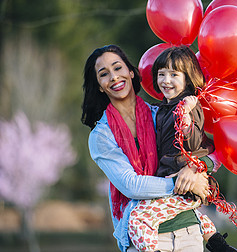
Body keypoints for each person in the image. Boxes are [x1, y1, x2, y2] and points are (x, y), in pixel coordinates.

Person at [82, 45, 210, 252]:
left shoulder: (160, 114)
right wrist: (182, 182)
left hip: (186, 231)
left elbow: (204, 149)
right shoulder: (101, 136)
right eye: (104, 74)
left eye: (118, 68)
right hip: (142, 237)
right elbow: (131, 185)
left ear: (131, 72)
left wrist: (196, 168)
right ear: (99, 85)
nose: (114, 77)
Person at [127, 46, 237, 252]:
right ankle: (219, 245)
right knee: (193, 213)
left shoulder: (187, 105)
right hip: (174, 179)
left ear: (187, 78)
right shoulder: (163, 109)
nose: (166, 81)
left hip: (180, 179)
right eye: (161, 74)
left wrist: (185, 117)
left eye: (174, 75)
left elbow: (194, 141)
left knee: (137, 218)